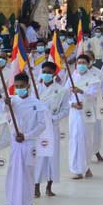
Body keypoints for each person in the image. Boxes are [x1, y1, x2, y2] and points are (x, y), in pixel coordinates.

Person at [0, 74, 47, 205]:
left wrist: (26, 136)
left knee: (28, 173)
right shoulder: (12, 101)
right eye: (17, 86)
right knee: (12, 174)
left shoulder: (37, 103)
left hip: (29, 143)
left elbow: (42, 125)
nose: (19, 89)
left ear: (28, 86)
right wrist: (6, 104)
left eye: (22, 86)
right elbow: (3, 112)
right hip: (14, 143)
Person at [33, 62, 66, 198]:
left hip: (52, 127)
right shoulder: (35, 89)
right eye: (44, 71)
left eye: (49, 72)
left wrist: (54, 117)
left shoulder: (62, 90)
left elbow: (66, 109)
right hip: (39, 128)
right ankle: (35, 186)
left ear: (54, 74)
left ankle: (49, 186)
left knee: (51, 156)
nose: (46, 74)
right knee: (39, 156)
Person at [67, 56, 100, 179]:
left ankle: (85, 166)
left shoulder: (93, 78)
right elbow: (66, 94)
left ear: (88, 64)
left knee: (85, 138)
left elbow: (94, 95)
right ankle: (77, 169)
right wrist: (72, 104)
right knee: (75, 138)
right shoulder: (72, 77)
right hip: (74, 111)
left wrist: (82, 92)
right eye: (79, 62)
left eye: (84, 63)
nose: (81, 64)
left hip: (87, 110)